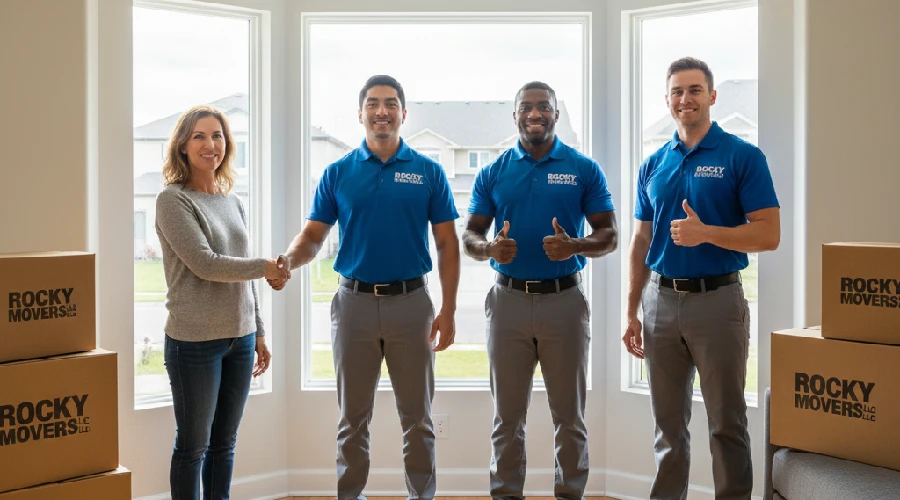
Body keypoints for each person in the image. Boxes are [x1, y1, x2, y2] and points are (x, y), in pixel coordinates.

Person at [269, 75, 460, 500]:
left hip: (412, 305)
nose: (381, 111)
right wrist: (288, 261)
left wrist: (448, 310)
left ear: (403, 113)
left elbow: (448, 244)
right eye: (373, 103)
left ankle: (421, 496)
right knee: (352, 420)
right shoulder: (338, 172)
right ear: (360, 114)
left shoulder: (428, 172)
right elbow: (313, 236)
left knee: (418, 419)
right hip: (352, 306)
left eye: (390, 103)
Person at [622, 57, 780, 500]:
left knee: (726, 423)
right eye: (677, 91)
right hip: (659, 304)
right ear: (667, 100)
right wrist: (631, 310)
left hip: (718, 303)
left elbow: (769, 235)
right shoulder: (654, 164)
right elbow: (641, 240)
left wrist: (707, 233)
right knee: (667, 426)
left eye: (694, 90)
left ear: (711, 96)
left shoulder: (742, 156)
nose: (685, 99)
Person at [462, 81, 618, 500]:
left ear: (556, 114)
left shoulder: (583, 169)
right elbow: (470, 235)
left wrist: (575, 245)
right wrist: (489, 249)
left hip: (564, 304)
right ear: (515, 115)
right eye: (526, 107)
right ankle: (506, 494)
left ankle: (570, 494)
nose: (535, 114)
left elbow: (610, 234)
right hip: (507, 304)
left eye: (544, 107)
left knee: (569, 417)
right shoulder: (494, 171)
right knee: (507, 418)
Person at [155, 105, 289, 500]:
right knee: (193, 447)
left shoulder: (232, 201)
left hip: (240, 340)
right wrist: (265, 266)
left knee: (224, 444)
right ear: (183, 146)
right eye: (199, 136)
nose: (210, 144)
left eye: (217, 136)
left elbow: (242, 275)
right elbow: (206, 264)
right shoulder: (173, 200)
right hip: (194, 342)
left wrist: (258, 331)